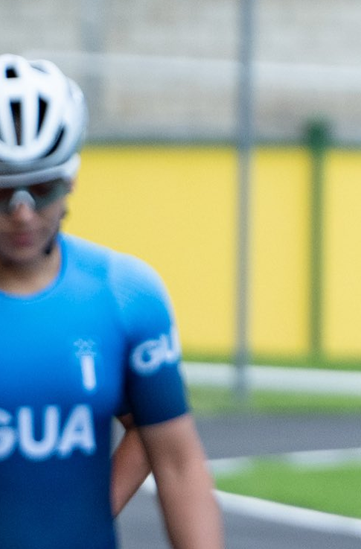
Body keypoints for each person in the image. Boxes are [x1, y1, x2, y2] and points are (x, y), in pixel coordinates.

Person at [0, 54, 224, 548]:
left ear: (72, 178)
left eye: (42, 187)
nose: (22, 214)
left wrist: (80, 517)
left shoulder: (126, 297)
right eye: (3, 193)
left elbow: (177, 460)